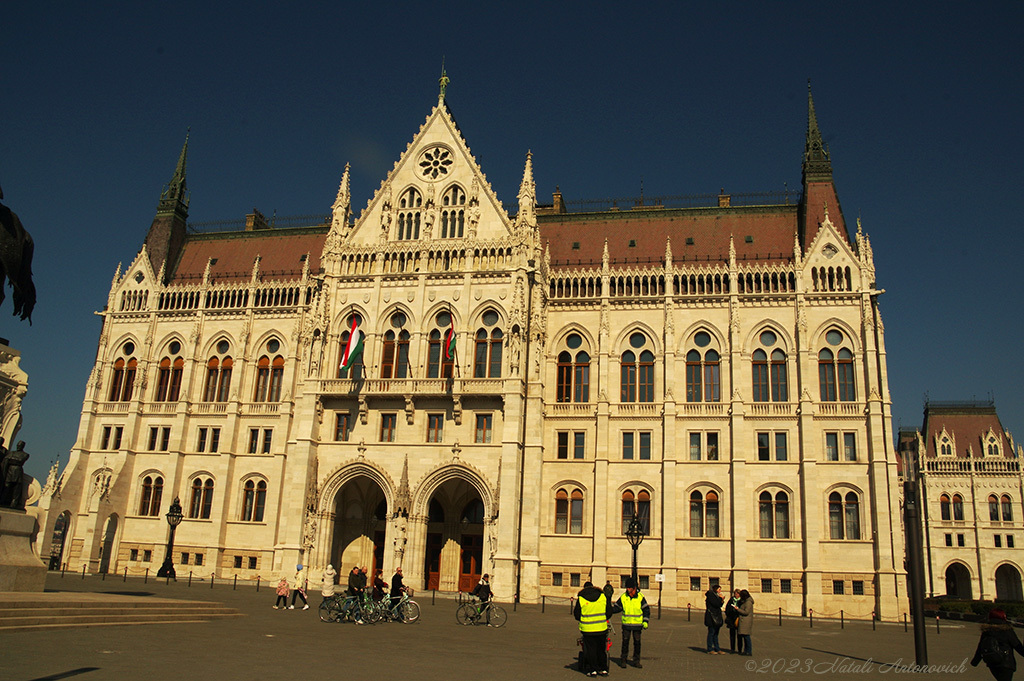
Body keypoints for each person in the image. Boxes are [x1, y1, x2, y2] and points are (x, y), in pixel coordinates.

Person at [574, 580, 613, 676]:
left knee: (591, 650)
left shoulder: (581, 598)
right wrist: (603, 618)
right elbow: (609, 612)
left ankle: (593, 670)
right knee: (601, 649)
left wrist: (583, 619)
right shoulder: (602, 596)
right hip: (601, 628)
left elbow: (577, 614)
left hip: (588, 629)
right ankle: (603, 669)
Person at [972, 609, 1024, 680]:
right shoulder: (1007, 630)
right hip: (1006, 663)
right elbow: (1017, 646)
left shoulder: (987, 631)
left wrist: (975, 661)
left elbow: (981, 647)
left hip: (992, 662)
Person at [612, 577, 650, 668]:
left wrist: (645, 621)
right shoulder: (624, 597)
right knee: (625, 643)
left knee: (637, 643)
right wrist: (608, 611)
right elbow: (617, 608)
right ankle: (623, 660)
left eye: (629, 588)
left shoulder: (640, 597)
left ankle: (636, 661)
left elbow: (646, 610)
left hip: (637, 625)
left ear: (634, 588)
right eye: (627, 588)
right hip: (626, 625)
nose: (628, 589)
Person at [704, 584, 725, 654]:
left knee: (716, 633)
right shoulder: (711, 595)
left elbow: (720, 604)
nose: (720, 591)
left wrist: (721, 600)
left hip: (716, 616)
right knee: (711, 633)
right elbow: (716, 604)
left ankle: (717, 648)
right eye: (719, 589)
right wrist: (720, 599)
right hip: (712, 617)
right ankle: (710, 649)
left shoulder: (716, 595)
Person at [736, 589, 754, 656]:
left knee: (747, 637)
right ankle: (746, 650)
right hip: (743, 621)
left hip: (746, 621)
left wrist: (738, 609)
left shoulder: (748, 602)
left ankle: (749, 651)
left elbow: (746, 612)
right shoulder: (745, 601)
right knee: (744, 636)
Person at [724, 589, 742, 653]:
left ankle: (740, 649)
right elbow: (727, 608)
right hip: (731, 619)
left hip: (738, 619)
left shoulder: (741, 601)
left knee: (739, 635)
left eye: (737, 594)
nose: (736, 595)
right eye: (735, 594)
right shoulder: (731, 600)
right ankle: (732, 648)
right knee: (732, 635)